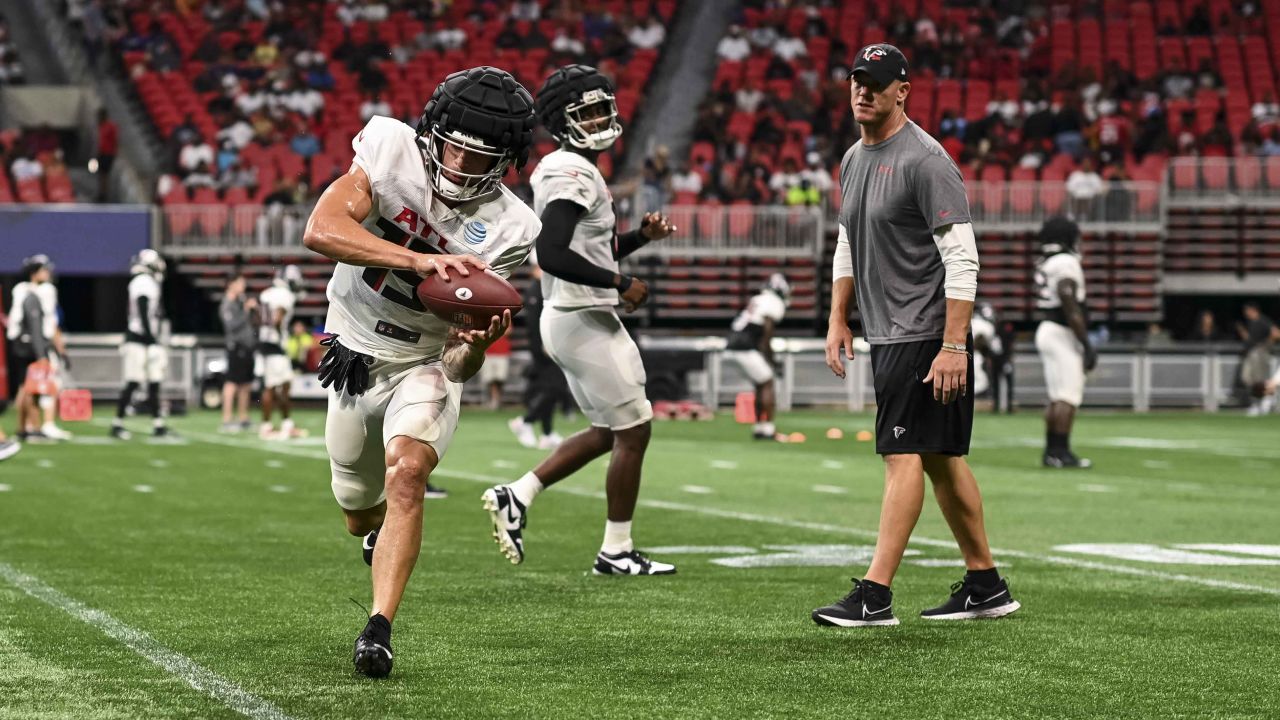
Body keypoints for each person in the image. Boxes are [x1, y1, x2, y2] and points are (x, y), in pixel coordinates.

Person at [301, 65, 539, 679]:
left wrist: (478, 346)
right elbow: (321, 228)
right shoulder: (388, 147)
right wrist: (420, 260)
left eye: (479, 158)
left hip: (426, 363)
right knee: (357, 507)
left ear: (507, 161)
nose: (460, 166)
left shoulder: (513, 227)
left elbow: (461, 363)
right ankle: (373, 534)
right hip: (354, 350)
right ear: (431, 131)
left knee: (408, 471)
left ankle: (378, 628)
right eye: (454, 147)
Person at [816, 44, 1019, 628]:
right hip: (892, 331)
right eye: (856, 80)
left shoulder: (927, 160)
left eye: (875, 83)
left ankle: (875, 594)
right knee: (940, 459)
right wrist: (838, 317)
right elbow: (848, 242)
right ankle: (985, 584)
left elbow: (963, 258)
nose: (862, 91)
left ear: (902, 90)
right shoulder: (853, 159)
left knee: (902, 453)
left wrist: (954, 345)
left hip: (925, 334)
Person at [481, 64, 678, 577]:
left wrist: (638, 240)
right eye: (585, 112)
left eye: (600, 108)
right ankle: (616, 549)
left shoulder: (575, 168)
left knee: (608, 430)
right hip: (581, 314)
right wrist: (620, 283)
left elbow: (593, 246)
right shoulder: (572, 169)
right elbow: (551, 251)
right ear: (563, 122)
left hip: (573, 315)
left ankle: (517, 495)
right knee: (634, 431)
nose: (598, 119)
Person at [1034, 216, 1097, 467]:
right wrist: (1086, 341)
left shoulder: (1048, 261)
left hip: (1050, 329)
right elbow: (1067, 297)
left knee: (1057, 396)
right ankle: (1060, 452)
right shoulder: (1065, 262)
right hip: (1061, 331)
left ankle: (1053, 451)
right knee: (1067, 396)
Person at [6, 254, 70, 441]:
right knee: (30, 388)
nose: (47, 273)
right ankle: (30, 428)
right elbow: (36, 324)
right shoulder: (35, 293)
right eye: (43, 269)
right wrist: (41, 352)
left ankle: (26, 427)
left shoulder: (22, 290)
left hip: (23, 342)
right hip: (31, 344)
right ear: (34, 272)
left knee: (25, 387)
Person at [508, 262, 569, 450]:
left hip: (548, 345)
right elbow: (534, 323)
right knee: (556, 387)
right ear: (535, 269)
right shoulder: (536, 290)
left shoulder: (543, 289)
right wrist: (543, 344)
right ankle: (525, 421)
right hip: (544, 348)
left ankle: (547, 433)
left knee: (549, 387)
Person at [111, 249, 171, 439]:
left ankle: (158, 424)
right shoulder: (143, 282)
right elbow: (143, 309)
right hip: (138, 339)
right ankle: (117, 423)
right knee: (133, 381)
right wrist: (151, 338)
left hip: (146, 338)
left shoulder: (147, 282)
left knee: (154, 382)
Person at [724, 273, 790, 440]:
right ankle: (767, 428)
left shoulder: (759, 299)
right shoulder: (773, 302)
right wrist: (771, 359)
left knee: (761, 384)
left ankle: (760, 427)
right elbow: (766, 334)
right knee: (767, 382)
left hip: (733, 345)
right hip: (744, 347)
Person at [257, 265, 304, 440]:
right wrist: (278, 334)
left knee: (282, 384)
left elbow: (256, 318)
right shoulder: (285, 295)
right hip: (274, 345)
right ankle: (267, 426)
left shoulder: (267, 293)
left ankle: (286, 423)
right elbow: (277, 317)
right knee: (274, 386)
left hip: (264, 342)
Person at [218, 274, 257, 432]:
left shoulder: (239, 302)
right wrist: (246, 310)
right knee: (232, 383)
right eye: (240, 283)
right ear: (231, 284)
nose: (243, 287)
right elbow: (231, 326)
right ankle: (226, 419)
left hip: (246, 347)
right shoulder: (227, 304)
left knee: (245, 384)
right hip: (236, 346)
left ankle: (243, 417)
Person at [1237, 302, 1279, 416]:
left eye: (1247, 310)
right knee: (1247, 379)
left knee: (1260, 381)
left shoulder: (1262, 320)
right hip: (1251, 354)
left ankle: (1264, 404)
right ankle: (1258, 404)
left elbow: (1276, 332)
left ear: (1253, 310)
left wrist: (1266, 345)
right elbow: (1250, 340)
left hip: (1259, 354)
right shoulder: (1252, 323)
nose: (1245, 313)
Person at [477, 323, 510, 410]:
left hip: (502, 353)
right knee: (490, 379)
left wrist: (493, 331)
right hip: (488, 352)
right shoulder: (485, 319)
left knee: (500, 379)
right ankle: (495, 400)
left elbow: (508, 331)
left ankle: (497, 400)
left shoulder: (504, 317)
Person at [95, 108, 118, 202]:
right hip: (101, 153)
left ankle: (105, 194)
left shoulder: (111, 126)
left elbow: (115, 140)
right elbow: (101, 141)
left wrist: (114, 152)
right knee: (101, 174)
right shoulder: (101, 126)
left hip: (108, 154)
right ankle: (101, 192)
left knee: (105, 175)